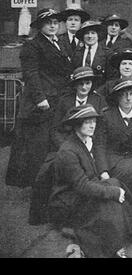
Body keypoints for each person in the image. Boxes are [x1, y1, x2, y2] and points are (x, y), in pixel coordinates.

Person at [6, 8, 73, 225]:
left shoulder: (59, 43)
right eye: (48, 23)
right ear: (40, 26)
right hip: (40, 104)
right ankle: (39, 199)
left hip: (58, 99)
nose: (53, 25)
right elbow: (31, 74)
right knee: (39, 150)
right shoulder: (32, 45)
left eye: (55, 22)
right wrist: (40, 98)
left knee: (54, 146)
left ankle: (51, 194)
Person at [48, 104, 132, 258]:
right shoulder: (67, 151)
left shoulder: (85, 141)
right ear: (76, 124)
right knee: (108, 200)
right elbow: (81, 186)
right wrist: (113, 192)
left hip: (80, 193)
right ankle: (112, 248)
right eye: (87, 121)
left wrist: (112, 188)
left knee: (114, 183)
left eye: (94, 121)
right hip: (68, 202)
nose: (92, 125)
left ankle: (118, 238)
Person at [50, 66, 106, 152]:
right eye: (81, 84)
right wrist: (64, 146)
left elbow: (102, 129)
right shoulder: (65, 101)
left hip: (92, 146)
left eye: (88, 83)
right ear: (75, 85)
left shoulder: (98, 100)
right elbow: (55, 129)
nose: (84, 87)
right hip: (68, 144)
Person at [72, 20, 109, 87]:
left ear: (98, 35)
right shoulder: (77, 53)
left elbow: (110, 77)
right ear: (83, 36)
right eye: (87, 33)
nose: (90, 36)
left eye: (93, 33)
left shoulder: (107, 53)